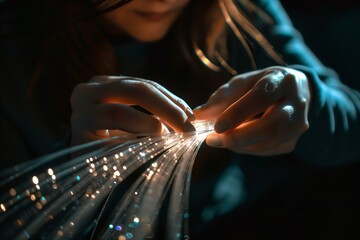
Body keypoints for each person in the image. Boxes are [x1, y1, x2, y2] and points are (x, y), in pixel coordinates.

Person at [0, 0, 359, 239]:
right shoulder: (13, 56)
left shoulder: (240, 10)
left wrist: (310, 97)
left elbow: (352, 120)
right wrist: (78, 176)